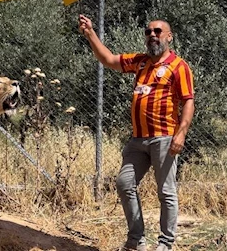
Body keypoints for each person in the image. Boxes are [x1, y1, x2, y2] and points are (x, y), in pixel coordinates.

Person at [78, 14, 195, 251]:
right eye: (148, 32)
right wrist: (90, 33)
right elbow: (109, 59)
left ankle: (165, 243)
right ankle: (136, 241)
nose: (152, 35)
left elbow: (188, 102)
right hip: (138, 140)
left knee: (166, 192)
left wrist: (181, 134)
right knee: (124, 183)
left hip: (165, 138)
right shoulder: (140, 62)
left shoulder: (178, 66)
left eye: (158, 31)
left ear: (169, 37)